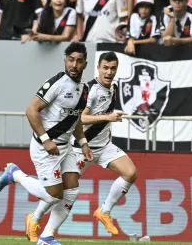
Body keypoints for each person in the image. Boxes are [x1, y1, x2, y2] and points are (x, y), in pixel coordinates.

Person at [24, 52, 138, 242]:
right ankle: (35, 219)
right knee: (60, 193)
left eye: (113, 68)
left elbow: (102, 114)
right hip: (80, 149)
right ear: (98, 68)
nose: (109, 72)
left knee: (131, 173)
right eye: (106, 68)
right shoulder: (90, 89)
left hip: (103, 146)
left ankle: (104, 211)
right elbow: (82, 118)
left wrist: (107, 127)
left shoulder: (113, 88)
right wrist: (106, 119)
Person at [0, 42, 93, 245]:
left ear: (85, 64)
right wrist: (46, 139)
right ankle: (16, 174)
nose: (74, 64)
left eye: (79, 61)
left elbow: (75, 120)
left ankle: (46, 237)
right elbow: (31, 110)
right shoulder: (57, 83)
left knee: (72, 190)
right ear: (65, 60)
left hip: (65, 148)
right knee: (54, 195)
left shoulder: (84, 90)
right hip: (45, 148)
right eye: (70, 60)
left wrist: (83, 142)